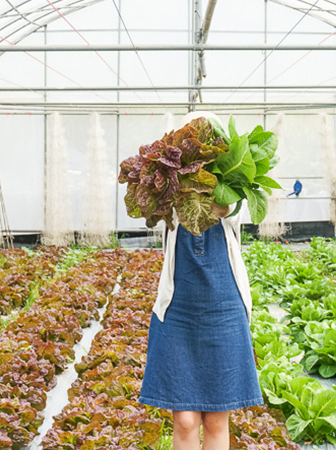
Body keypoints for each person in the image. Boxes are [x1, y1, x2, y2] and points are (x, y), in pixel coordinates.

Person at [138, 114, 263, 450]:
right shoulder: (174, 193)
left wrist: (211, 195)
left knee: (216, 419)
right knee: (185, 420)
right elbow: (151, 215)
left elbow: (233, 206)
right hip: (178, 309)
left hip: (223, 309)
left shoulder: (229, 196)